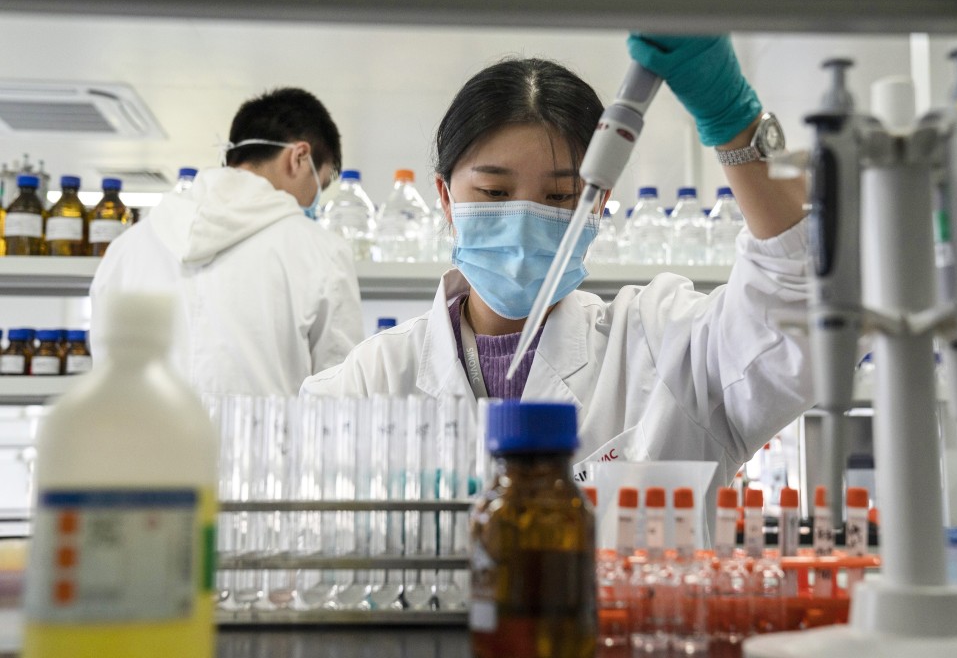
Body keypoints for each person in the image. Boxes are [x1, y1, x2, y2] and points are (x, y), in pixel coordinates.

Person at [302, 36, 813, 504]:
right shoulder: (369, 383)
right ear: (444, 197)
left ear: (598, 204)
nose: (524, 218)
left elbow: (803, 310)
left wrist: (732, 121)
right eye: (495, 193)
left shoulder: (663, 346)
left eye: (561, 196)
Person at [91, 87, 364, 396]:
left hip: (146, 445)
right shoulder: (321, 252)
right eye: (320, 183)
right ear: (299, 157)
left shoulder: (126, 249)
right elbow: (341, 400)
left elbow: (105, 377)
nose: (313, 200)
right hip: (268, 445)